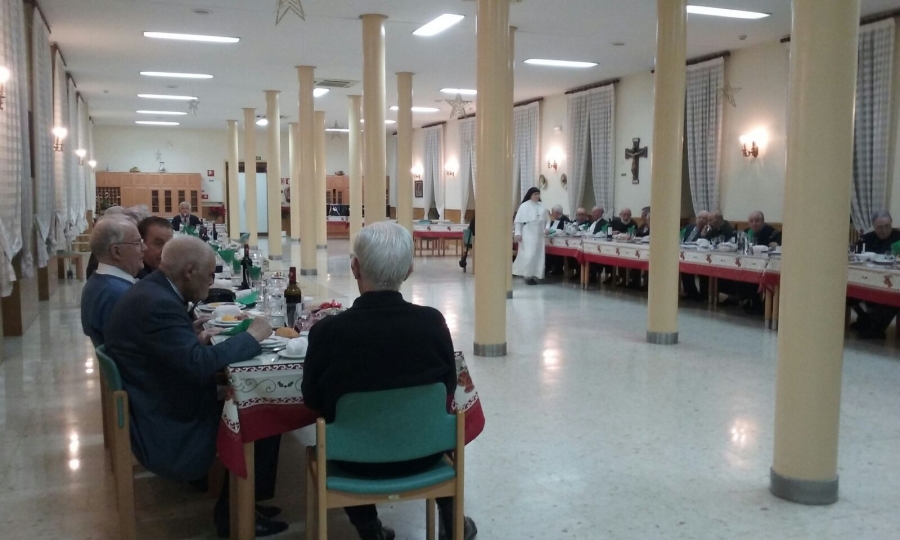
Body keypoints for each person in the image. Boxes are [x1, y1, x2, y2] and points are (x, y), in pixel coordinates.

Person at [302, 222, 477, 540]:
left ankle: (370, 530)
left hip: (354, 463)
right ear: (410, 269)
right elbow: (447, 394)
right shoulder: (433, 323)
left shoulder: (327, 333)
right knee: (442, 427)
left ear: (354, 267)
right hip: (426, 455)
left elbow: (312, 401)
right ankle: (453, 523)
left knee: (338, 434)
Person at [104, 236, 287, 538]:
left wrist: (188, 336)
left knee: (255, 404)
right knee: (262, 413)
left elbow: (171, 351)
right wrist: (252, 336)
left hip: (155, 396)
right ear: (189, 270)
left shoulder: (152, 291)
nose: (211, 280)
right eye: (210, 273)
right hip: (167, 419)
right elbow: (200, 364)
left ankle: (246, 501)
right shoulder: (159, 304)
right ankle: (235, 514)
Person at [80, 217, 146, 347]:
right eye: (138, 243)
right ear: (116, 251)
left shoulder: (96, 283)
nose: (145, 247)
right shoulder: (121, 295)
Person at [850, 211, 900, 339]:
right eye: (880, 227)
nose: (884, 230)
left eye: (887, 226)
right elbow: (854, 255)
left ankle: (876, 327)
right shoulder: (866, 238)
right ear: (874, 226)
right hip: (868, 279)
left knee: (891, 296)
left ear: (891, 224)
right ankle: (866, 319)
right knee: (850, 291)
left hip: (892, 280)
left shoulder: (898, 237)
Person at [512, 187, 549, 285]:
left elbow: (547, 220)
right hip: (528, 232)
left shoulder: (542, 206)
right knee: (529, 254)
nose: (537, 196)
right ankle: (527, 275)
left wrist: (547, 228)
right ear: (530, 195)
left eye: (538, 194)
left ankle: (536, 274)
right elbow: (518, 222)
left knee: (538, 255)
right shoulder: (524, 206)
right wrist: (518, 233)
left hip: (539, 233)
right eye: (535, 194)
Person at [681, 211, 710, 301]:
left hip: (701, 256)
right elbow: (681, 238)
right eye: (699, 218)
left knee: (704, 271)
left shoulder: (708, 230)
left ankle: (703, 296)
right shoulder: (689, 227)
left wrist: (703, 235)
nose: (701, 220)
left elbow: (707, 244)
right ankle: (691, 292)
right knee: (683, 268)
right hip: (685, 253)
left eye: (704, 219)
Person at [545, 205, 569, 275]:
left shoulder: (565, 220)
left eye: (553, 212)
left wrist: (553, 231)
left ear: (557, 212)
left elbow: (564, 231)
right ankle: (548, 267)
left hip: (561, 241)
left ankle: (557, 269)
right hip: (551, 240)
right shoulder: (554, 220)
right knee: (547, 251)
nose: (552, 214)